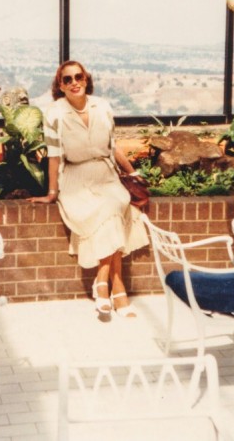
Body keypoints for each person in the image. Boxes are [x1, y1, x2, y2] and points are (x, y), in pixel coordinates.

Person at [29, 61, 148, 321]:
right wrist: (52, 192)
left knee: (117, 201)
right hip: (75, 176)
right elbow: (54, 156)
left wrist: (132, 173)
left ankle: (102, 281)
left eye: (78, 77)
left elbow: (113, 146)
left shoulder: (102, 107)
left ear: (86, 79)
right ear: (60, 85)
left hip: (105, 173)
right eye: (67, 79)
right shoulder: (55, 113)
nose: (74, 83)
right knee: (110, 210)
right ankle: (117, 289)